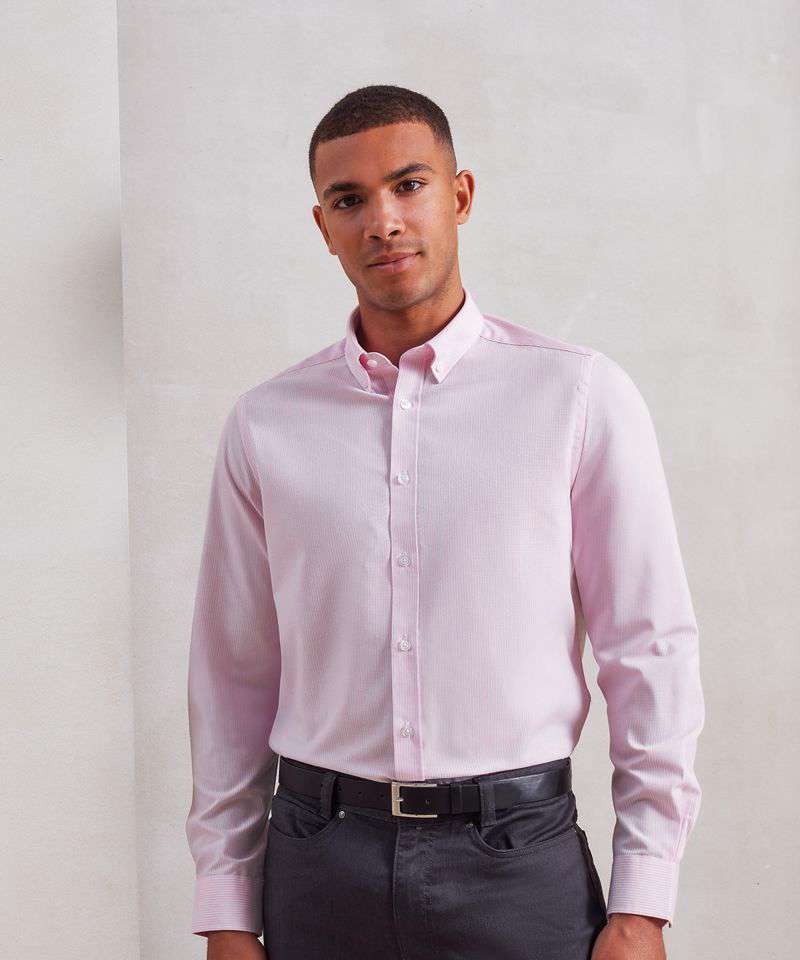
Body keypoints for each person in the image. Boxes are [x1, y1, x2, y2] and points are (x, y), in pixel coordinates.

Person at [184, 84, 705, 960]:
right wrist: (226, 909)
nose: (382, 221)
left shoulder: (577, 396)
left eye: (408, 185)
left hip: (518, 862)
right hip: (317, 861)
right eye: (349, 199)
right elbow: (232, 675)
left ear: (459, 195)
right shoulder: (266, 424)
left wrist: (643, 903)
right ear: (323, 226)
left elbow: (649, 648)